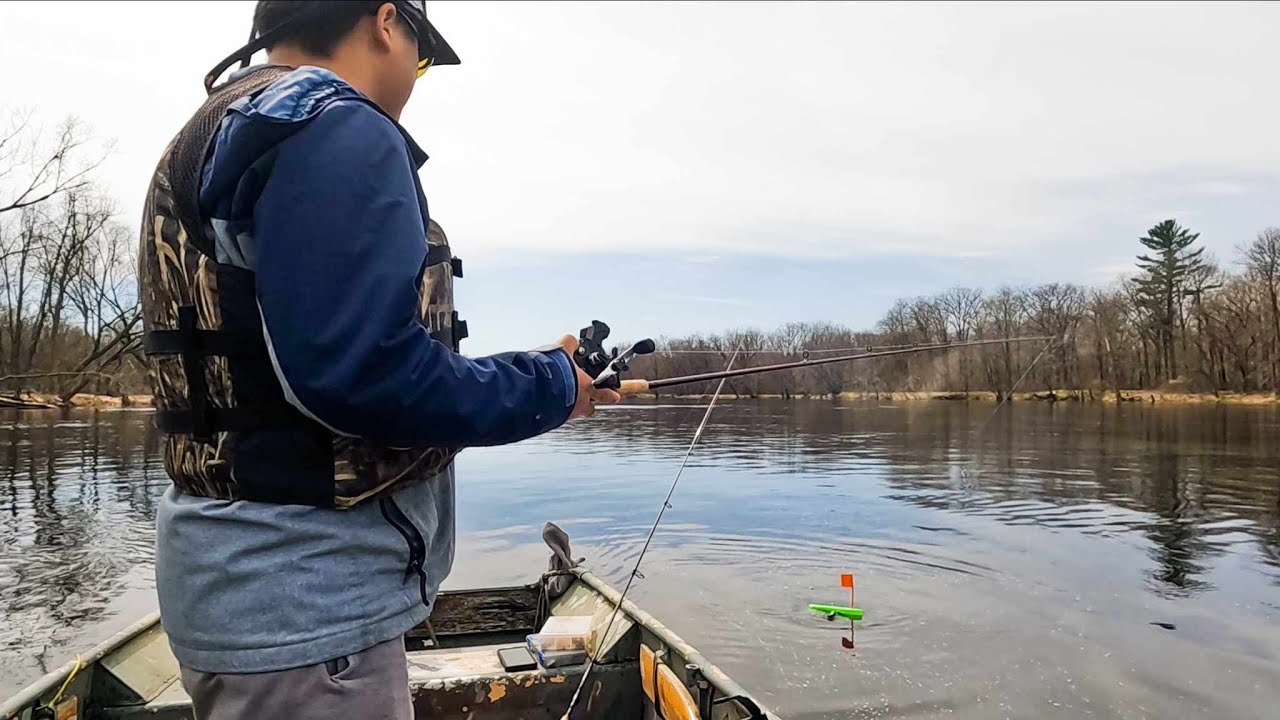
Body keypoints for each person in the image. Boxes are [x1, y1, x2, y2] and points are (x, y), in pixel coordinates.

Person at [136, 2, 619, 718]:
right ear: (387, 22)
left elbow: (320, 355)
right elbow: (365, 375)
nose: (418, 76)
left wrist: (532, 371)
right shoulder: (338, 125)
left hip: (248, 597)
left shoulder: (226, 127)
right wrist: (548, 384)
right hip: (311, 617)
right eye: (423, 58)